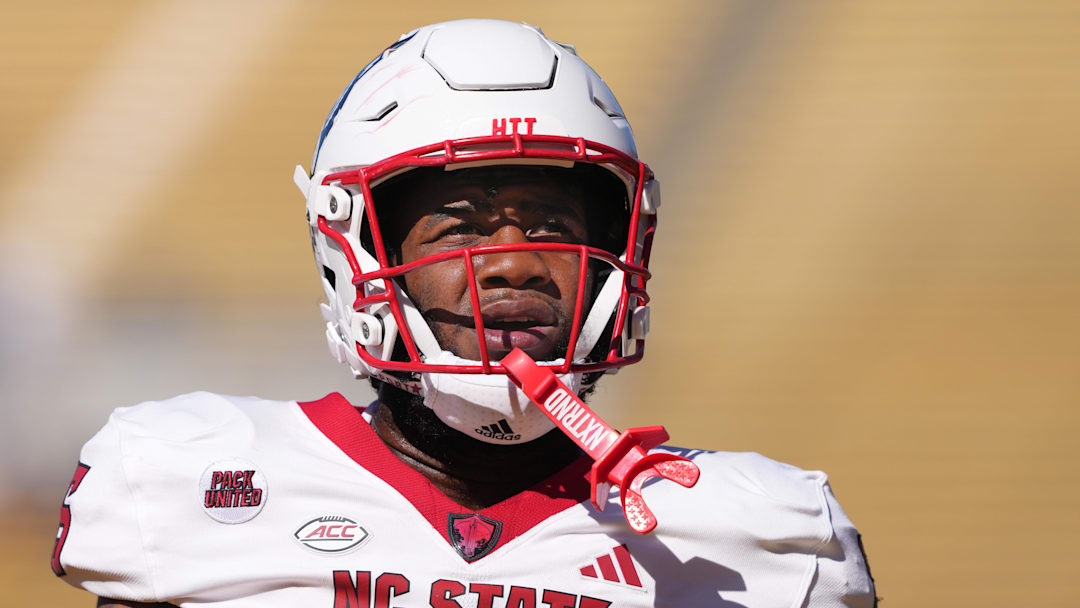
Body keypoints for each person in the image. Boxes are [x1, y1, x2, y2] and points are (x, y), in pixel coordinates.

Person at [52, 19, 877, 607]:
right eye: (463, 228)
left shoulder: (758, 540)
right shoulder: (192, 483)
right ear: (356, 256)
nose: (517, 261)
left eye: (551, 223)